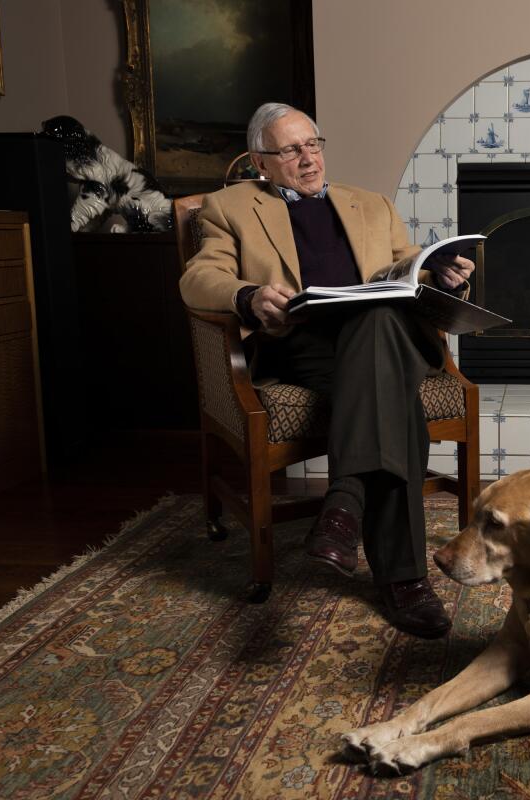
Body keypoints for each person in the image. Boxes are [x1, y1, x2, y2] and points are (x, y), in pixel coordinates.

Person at [179, 103, 474, 639]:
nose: (309, 158)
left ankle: (344, 504)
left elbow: (404, 265)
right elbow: (198, 278)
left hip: (388, 338)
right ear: (260, 163)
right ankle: (403, 579)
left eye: (313, 144)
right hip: (304, 344)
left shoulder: (370, 203)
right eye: (291, 150)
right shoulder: (229, 207)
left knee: (381, 315)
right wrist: (246, 295)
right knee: (395, 399)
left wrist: (441, 274)